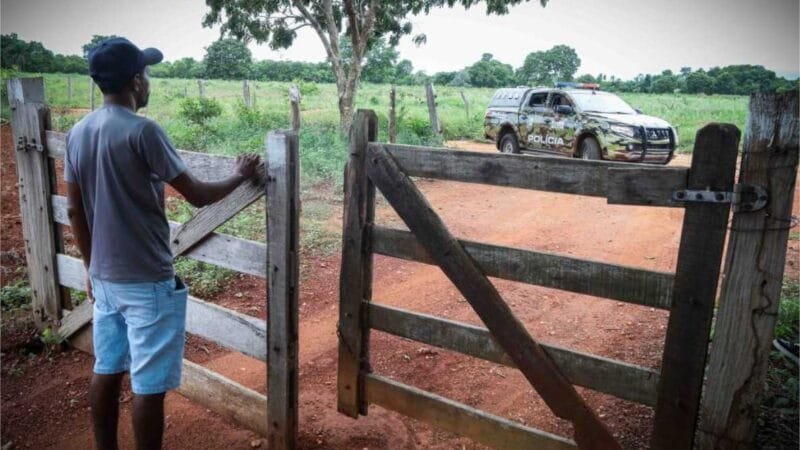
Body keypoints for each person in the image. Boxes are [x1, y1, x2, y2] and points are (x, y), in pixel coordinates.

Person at [65, 37, 260, 450]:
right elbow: (198, 194)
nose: (148, 81)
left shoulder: (78, 132)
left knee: (107, 366)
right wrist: (240, 174)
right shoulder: (144, 131)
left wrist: (88, 266)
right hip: (147, 279)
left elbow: (75, 212)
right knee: (148, 384)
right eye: (147, 74)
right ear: (136, 81)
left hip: (103, 277)